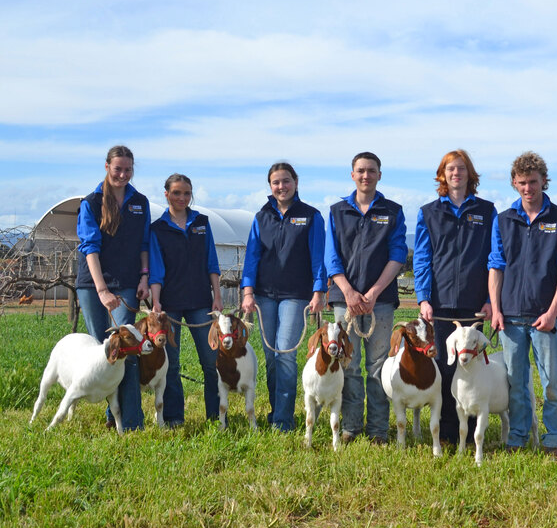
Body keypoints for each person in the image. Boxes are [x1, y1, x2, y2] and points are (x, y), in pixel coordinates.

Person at [488, 151, 557, 454]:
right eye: (523, 182)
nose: (528, 188)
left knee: (551, 382)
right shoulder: (502, 220)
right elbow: (495, 267)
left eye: (534, 182)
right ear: (514, 183)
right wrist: (496, 310)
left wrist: (553, 313)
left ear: (544, 182)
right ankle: (517, 437)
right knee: (516, 383)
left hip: (546, 318)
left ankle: (555, 439)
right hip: (510, 316)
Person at [414, 149, 497, 444]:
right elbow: (422, 258)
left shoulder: (487, 211)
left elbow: (493, 257)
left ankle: (474, 432)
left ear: (469, 174)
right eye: (450, 169)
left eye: (461, 168)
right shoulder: (429, 212)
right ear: (443, 174)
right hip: (441, 305)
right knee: (447, 369)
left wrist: (490, 299)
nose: (456, 173)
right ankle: (448, 432)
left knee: (474, 367)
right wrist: (423, 297)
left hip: (475, 306)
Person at [325, 152, 407, 444]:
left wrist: (372, 293)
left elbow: (398, 254)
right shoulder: (336, 211)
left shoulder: (393, 211)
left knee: (378, 366)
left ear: (379, 175)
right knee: (347, 363)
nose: (366, 176)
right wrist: (348, 292)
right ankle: (350, 426)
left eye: (371, 171)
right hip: (343, 299)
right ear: (352, 175)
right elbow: (331, 256)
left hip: (380, 301)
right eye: (360, 171)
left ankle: (378, 430)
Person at [241, 162, 327, 432]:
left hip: (296, 296)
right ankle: (276, 411)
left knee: (286, 354)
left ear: (296, 182)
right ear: (270, 186)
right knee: (270, 356)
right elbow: (252, 256)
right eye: (276, 182)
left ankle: (283, 421)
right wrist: (247, 291)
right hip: (264, 295)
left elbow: (318, 258)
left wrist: (318, 291)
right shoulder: (261, 216)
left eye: (286, 181)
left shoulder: (311, 216)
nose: (281, 186)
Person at [75, 145, 151, 431]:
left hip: (129, 282)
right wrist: (102, 290)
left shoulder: (140, 202)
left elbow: (144, 244)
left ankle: (131, 423)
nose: (123, 174)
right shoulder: (92, 201)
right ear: (106, 167)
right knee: (106, 352)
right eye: (118, 168)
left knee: (128, 350)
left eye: (128, 169)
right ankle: (113, 413)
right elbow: (89, 248)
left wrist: (144, 277)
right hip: (94, 284)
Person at [149, 174, 222, 426]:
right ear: (166, 194)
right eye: (177, 193)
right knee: (170, 364)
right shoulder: (157, 229)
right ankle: (174, 417)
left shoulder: (202, 223)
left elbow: (211, 260)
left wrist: (217, 296)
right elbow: (156, 269)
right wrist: (156, 303)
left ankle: (216, 416)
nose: (182, 198)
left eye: (187, 193)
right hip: (169, 305)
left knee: (212, 362)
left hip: (202, 301)